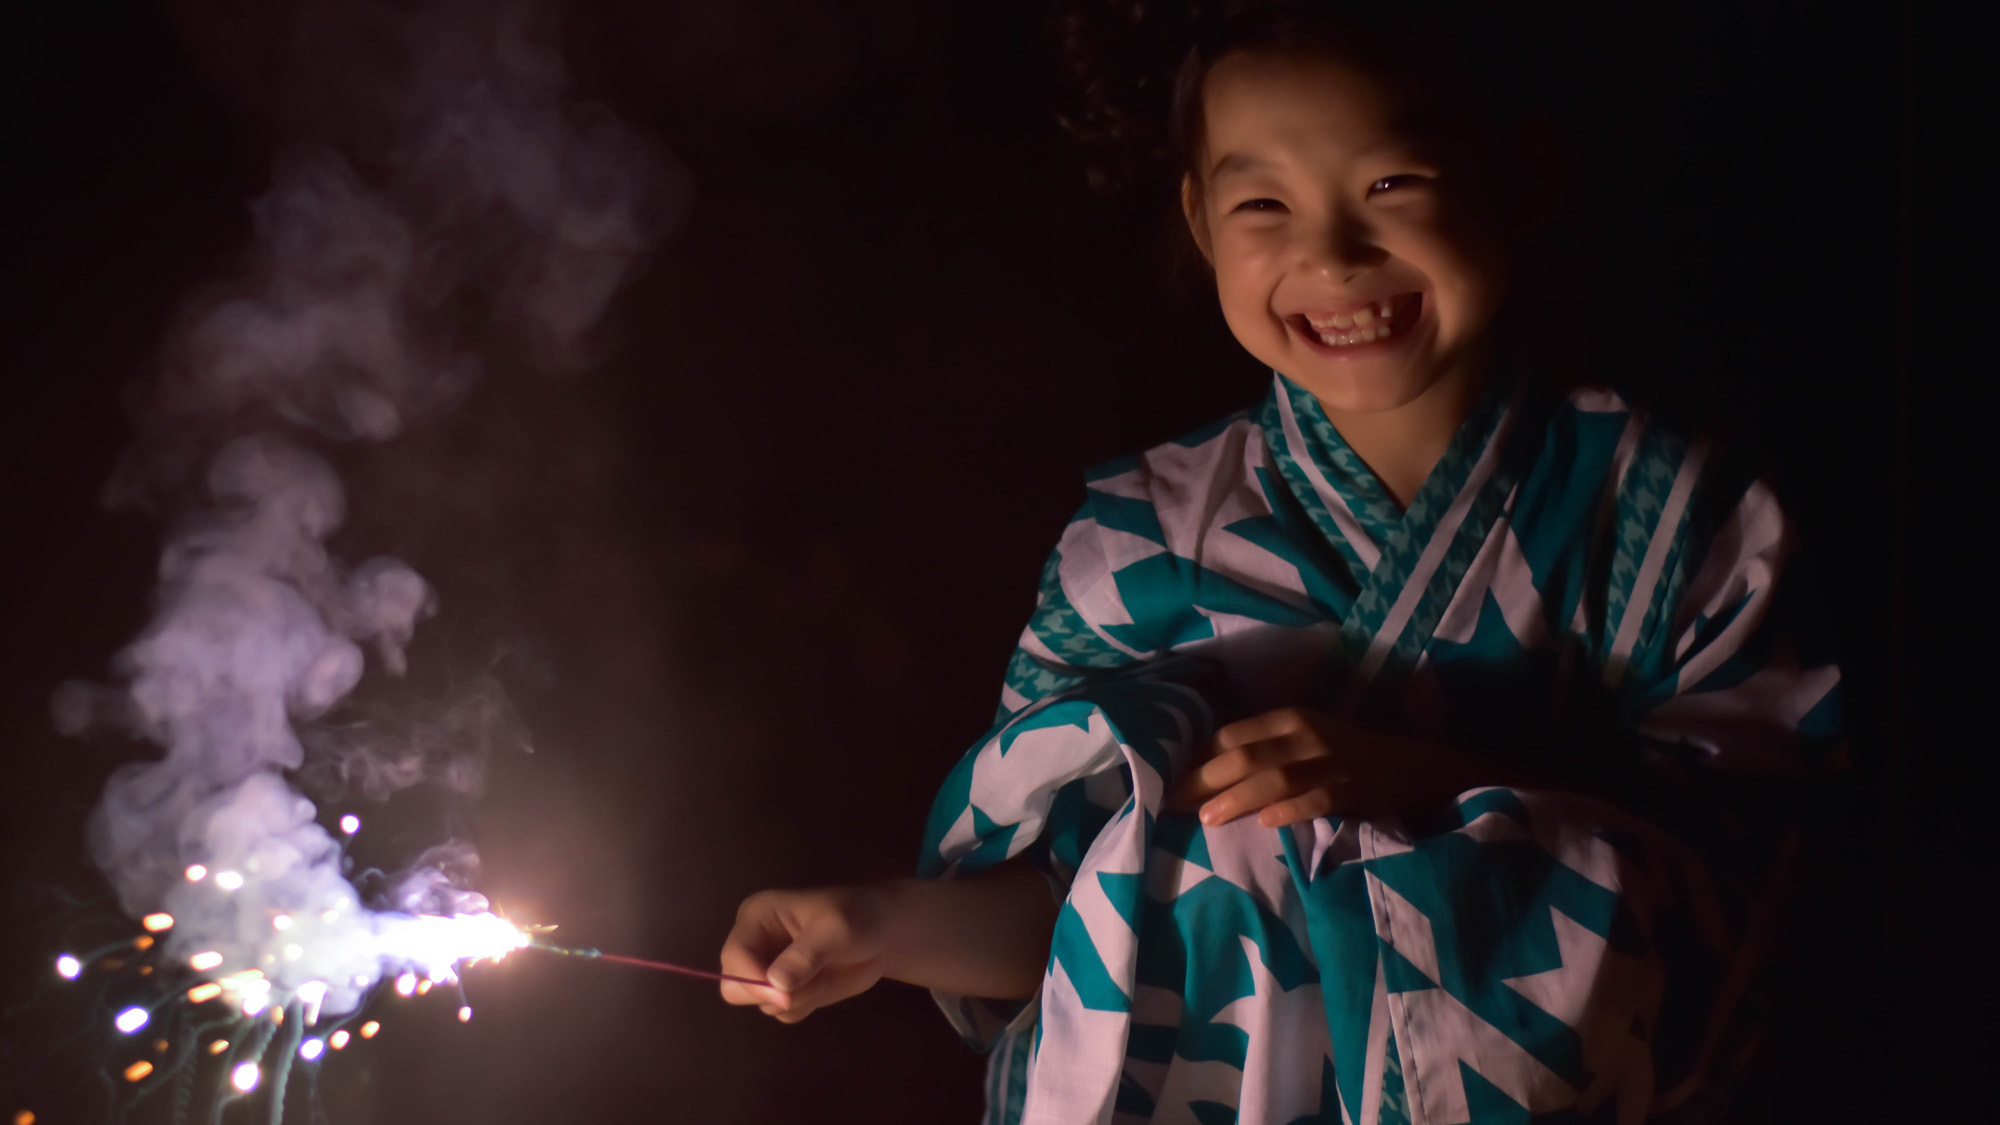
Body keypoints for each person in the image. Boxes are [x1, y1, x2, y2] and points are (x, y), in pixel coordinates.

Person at [719, 3, 1843, 1121]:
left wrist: (1416, 794)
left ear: (1519, 174)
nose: (1331, 254)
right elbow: (1077, 933)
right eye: (1262, 202)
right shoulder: (1136, 546)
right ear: (1200, 222)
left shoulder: (1669, 515)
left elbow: (1753, 913)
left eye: (1390, 184)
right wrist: (881, 927)